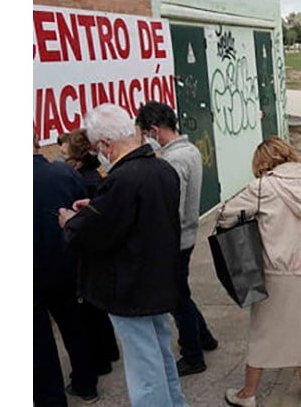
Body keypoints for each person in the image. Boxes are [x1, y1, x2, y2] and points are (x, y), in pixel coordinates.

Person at [59, 103, 187, 407]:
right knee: (160, 358)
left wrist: (70, 222)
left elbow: (92, 234)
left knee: (144, 373)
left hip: (130, 290)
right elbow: (133, 218)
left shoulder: (123, 178)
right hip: (157, 281)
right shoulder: (161, 168)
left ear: (105, 144)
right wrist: (92, 207)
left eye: (95, 147)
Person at [219, 137, 301, 407]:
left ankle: (248, 393)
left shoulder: (263, 187)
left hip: (276, 273)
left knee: (264, 334)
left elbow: (225, 214)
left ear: (262, 162)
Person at [135, 102, 218, 377]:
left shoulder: (174, 160)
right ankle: (204, 336)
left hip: (175, 240)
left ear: (155, 130)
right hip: (186, 235)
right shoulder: (188, 149)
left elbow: (173, 207)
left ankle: (192, 355)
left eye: (146, 133)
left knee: (176, 299)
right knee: (182, 293)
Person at [35, 134, 100, 406]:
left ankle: (51, 398)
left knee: (38, 341)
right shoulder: (64, 172)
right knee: (75, 326)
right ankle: (87, 384)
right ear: (37, 139)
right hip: (65, 265)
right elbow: (84, 210)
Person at [59, 129, 120, 376]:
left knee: (90, 309)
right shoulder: (91, 176)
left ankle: (102, 360)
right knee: (96, 309)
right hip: (97, 251)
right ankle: (110, 351)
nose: (60, 158)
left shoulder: (85, 181)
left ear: (77, 158)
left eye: (64, 153)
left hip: (91, 250)